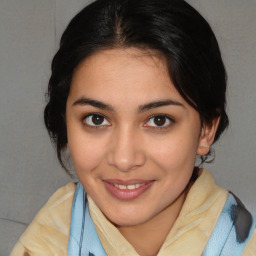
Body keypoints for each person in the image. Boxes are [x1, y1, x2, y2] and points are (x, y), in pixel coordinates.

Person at [11, 0, 255, 255]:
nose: (124, 159)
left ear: (206, 129)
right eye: (96, 119)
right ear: (65, 121)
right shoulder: (46, 242)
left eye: (158, 120)